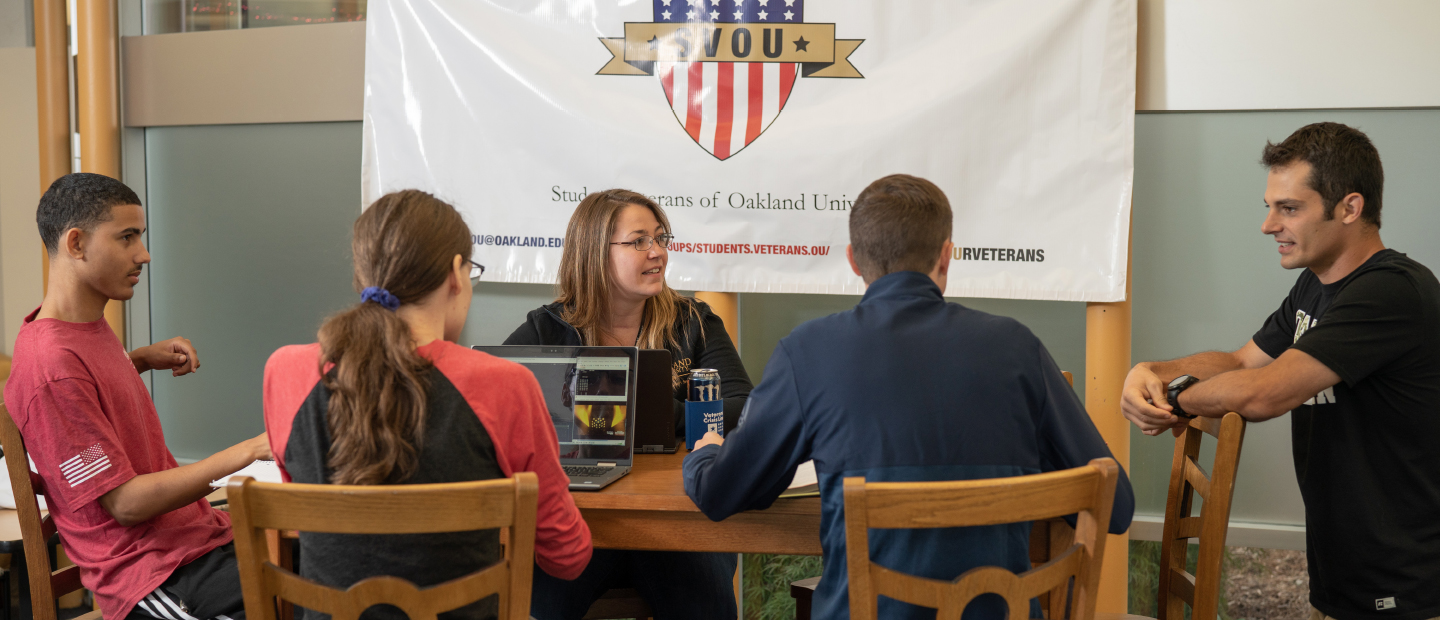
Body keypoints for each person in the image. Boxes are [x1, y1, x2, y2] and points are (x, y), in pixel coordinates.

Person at [682, 174, 1135, 620]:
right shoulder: (1018, 348)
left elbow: (722, 495)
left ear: (853, 261)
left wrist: (705, 456)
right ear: (947, 256)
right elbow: (1116, 508)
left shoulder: (807, 352)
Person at [1120, 123, 1440, 620]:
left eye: (1289, 208)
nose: (1269, 225)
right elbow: (1241, 361)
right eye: (1270, 207)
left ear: (1350, 208)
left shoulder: (1392, 291)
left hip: (1408, 589)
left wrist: (1176, 401)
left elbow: (1263, 393)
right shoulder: (1317, 286)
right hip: (1342, 577)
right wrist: (1156, 372)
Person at [263, 190, 592, 619]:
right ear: (457, 273)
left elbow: (304, 508)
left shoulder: (285, 371)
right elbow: (567, 558)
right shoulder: (505, 385)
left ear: (362, 275)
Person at [4, 173, 271, 620]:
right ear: (76, 244)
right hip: (152, 577)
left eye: (140, 237)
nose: (143, 255)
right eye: (127, 238)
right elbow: (125, 505)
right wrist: (248, 451)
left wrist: (139, 360)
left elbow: (86, 392)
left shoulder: (81, 328)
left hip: (192, 544)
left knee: (332, 569)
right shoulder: (52, 368)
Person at [504, 189, 751, 620]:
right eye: (638, 241)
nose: (656, 252)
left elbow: (744, 407)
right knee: (541, 604)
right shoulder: (547, 328)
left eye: (660, 238)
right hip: (581, 521)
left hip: (678, 522)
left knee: (706, 605)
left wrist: (663, 415)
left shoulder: (693, 321)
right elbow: (501, 409)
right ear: (595, 252)